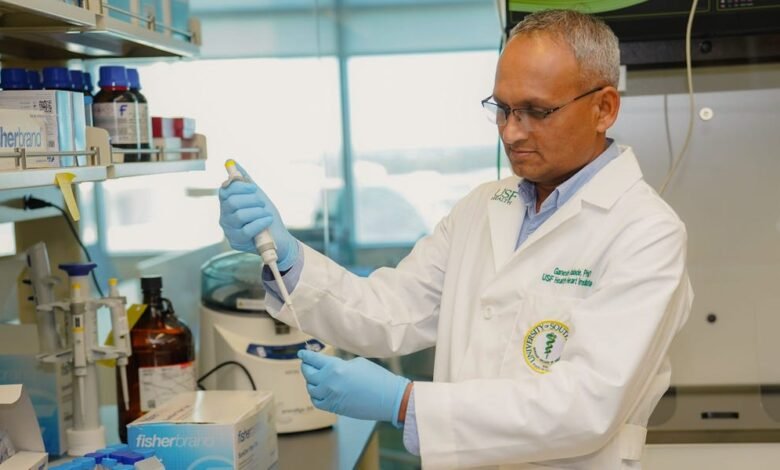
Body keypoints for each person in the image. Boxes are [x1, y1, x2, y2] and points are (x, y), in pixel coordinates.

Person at [218, 9, 693, 469]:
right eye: (502, 109)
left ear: (603, 108)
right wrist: (287, 258)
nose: (511, 132)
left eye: (535, 111)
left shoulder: (646, 233)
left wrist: (405, 402)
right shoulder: (482, 207)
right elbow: (391, 310)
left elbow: (585, 407)